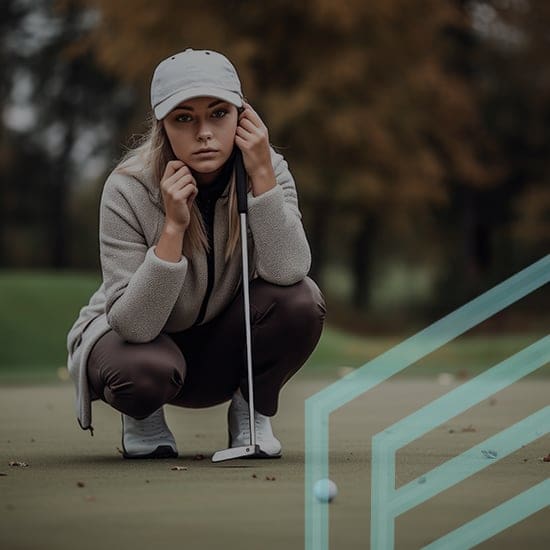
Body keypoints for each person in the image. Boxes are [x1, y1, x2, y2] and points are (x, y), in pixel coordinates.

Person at [66, 48, 326, 459]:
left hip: (217, 351)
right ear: (162, 125)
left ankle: (250, 410)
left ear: (243, 117)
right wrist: (172, 228)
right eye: (184, 118)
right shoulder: (127, 188)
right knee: (144, 371)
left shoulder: (269, 168)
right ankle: (142, 417)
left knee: (301, 301)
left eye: (219, 113)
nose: (204, 132)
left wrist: (261, 177)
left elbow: (290, 268)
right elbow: (132, 325)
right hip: (137, 351)